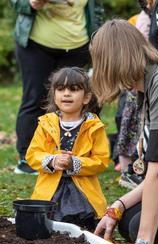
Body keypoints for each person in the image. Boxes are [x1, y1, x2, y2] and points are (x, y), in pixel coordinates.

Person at [91, 19, 158, 244]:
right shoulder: (149, 88)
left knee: (139, 229)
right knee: (126, 221)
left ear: (109, 60)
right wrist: (118, 207)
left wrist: (144, 242)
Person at [9, 0, 104, 175]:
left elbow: (97, 9)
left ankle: (76, 156)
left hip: (78, 46)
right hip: (36, 45)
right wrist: (29, 4)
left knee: (73, 103)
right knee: (34, 98)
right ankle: (26, 159)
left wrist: (96, 38)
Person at [26, 67, 109, 230]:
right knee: (47, 224)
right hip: (50, 189)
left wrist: (75, 163)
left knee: (80, 225)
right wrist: (53, 160)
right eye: (61, 89)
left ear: (86, 98)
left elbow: (101, 161)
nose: (66, 93)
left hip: (82, 191)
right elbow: (32, 155)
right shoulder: (45, 124)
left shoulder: (94, 127)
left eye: (74, 89)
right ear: (54, 95)